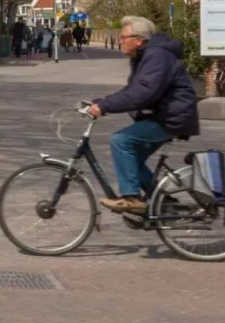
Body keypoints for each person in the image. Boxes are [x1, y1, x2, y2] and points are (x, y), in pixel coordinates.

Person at [86, 16, 200, 215]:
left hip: (172, 116)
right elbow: (132, 90)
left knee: (121, 141)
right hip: (164, 114)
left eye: (123, 37)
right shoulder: (146, 56)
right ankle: (163, 203)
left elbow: (143, 93)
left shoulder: (157, 56)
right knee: (132, 161)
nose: (120, 41)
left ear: (138, 39)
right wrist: (101, 102)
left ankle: (131, 198)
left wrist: (105, 107)